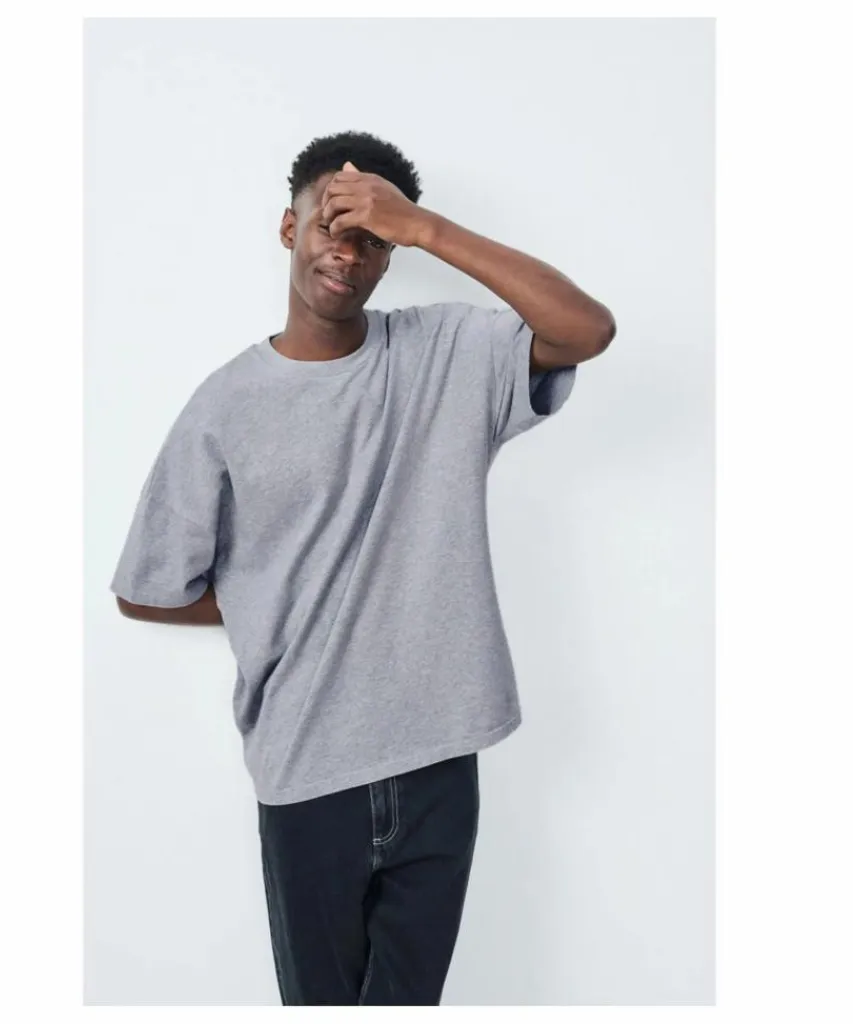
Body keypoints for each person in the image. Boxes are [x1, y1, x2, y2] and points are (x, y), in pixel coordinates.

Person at [109, 130, 616, 1005]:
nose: (346, 253)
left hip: (439, 755)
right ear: (289, 228)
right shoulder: (225, 406)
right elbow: (146, 590)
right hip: (307, 769)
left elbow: (587, 329)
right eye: (329, 226)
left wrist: (426, 227)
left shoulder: (444, 353)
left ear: (391, 254)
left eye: (372, 238)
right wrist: (273, 595)